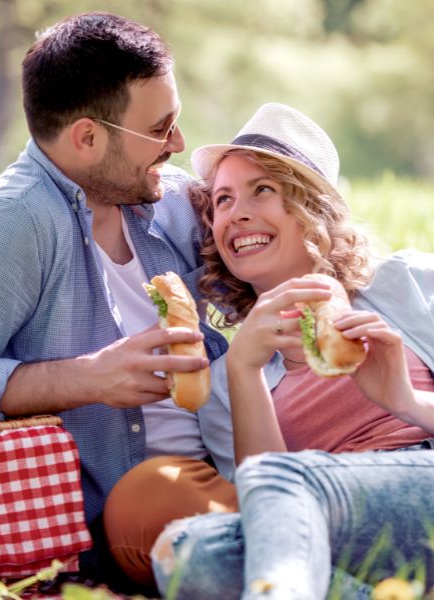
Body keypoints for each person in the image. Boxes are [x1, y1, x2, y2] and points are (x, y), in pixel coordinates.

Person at [0, 12, 234, 587]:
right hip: (124, 514)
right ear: (87, 137)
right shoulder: (15, 221)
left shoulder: (168, 199)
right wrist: (90, 378)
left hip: (226, 465)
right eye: (161, 128)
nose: (178, 144)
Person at [148, 103, 434, 599]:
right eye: (222, 200)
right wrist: (243, 368)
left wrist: (407, 401)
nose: (236, 213)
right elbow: (264, 518)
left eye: (263, 190)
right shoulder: (225, 377)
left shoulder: (406, 283)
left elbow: (277, 489)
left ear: (313, 207)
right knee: (187, 552)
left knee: (284, 487)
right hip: (335, 538)